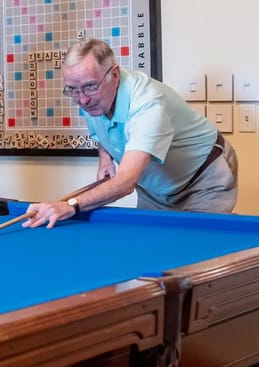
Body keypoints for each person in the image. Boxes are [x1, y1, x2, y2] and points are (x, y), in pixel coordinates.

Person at [22, 38, 238, 230]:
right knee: (151, 247)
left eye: (89, 87)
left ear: (114, 75)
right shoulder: (92, 96)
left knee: (193, 255)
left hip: (202, 180)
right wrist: (105, 159)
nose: (83, 99)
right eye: (73, 89)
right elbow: (103, 127)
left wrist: (69, 206)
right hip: (155, 189)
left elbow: (125, 183)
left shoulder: (148, 105)